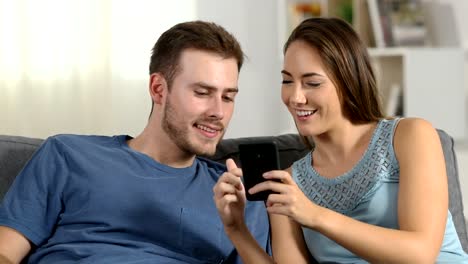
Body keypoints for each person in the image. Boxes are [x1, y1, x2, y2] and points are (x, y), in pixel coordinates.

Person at [0, 20, 271, 264]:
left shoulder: (238, 194)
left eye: (228, 97)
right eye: (202, 92)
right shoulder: (68, 155)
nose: (218, 112)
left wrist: (236, 228)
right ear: (158, 89)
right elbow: (6, 252)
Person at [214, 17, 468, 263]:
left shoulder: (411, 136)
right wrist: (236, 229)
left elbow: (420, 254)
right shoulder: (289, 184)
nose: (295, 97)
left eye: (312, 82)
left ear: (349, 81)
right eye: (287, 80)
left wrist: (315, 215)